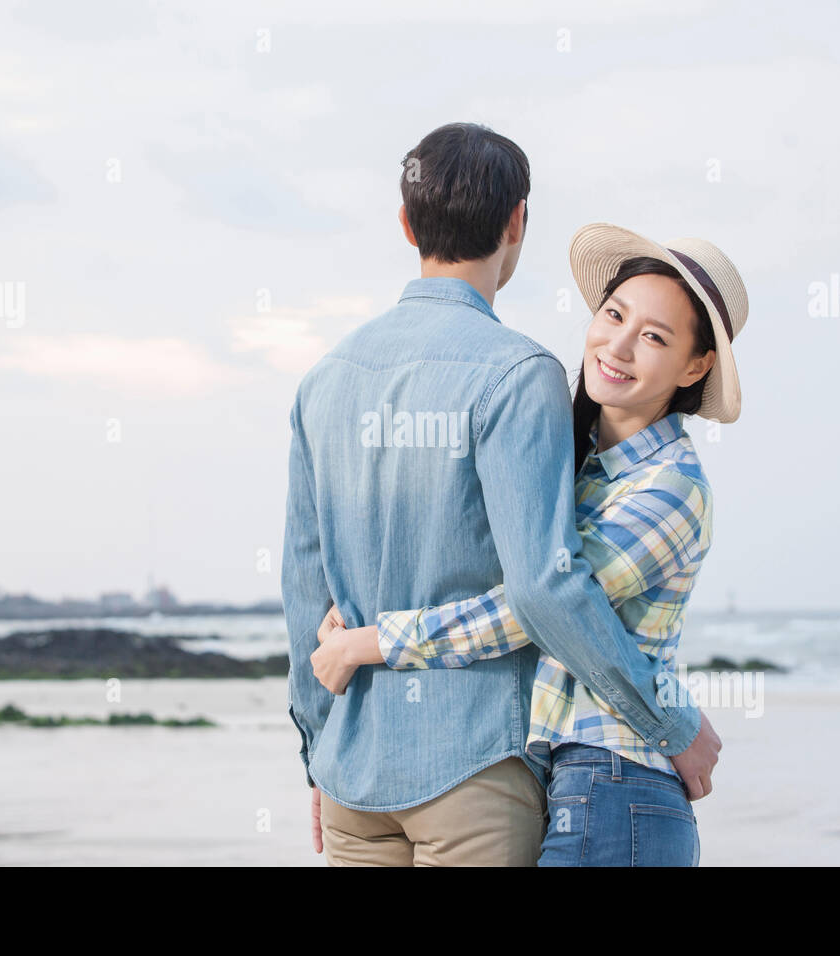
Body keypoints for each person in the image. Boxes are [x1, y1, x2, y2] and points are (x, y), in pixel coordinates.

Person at [280, 123, 720, 866]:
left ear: (404, 220)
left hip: (352, 769)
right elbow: (547, 587)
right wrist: (676, 725)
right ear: (518, 221)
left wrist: (319, 752)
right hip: (475, 765)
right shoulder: (521, 375)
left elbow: (302, 585)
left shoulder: (324, 380)